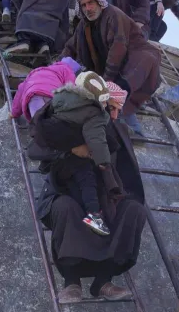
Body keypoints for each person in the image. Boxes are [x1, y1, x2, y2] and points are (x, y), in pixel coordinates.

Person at [33, 83, 145, 303]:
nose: (114, 114)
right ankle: (72, 283)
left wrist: (117, 193)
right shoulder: (65, 121)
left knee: (134, 211)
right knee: (68, 208)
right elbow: (39, 148)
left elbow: (124, 170)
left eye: (117, 110)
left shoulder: (117, 131)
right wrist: (72, 148)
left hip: (105, 193)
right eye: (110, 108)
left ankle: (103, 281)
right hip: (65, 191)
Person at [62, 0, 162, 136]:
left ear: (99, 2)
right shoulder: (83, 26)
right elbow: (70, 47)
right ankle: (126, 128)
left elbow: (118, 47)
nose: (88, 8)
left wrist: (105, 83)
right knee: (113, 94)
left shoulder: (113, 14)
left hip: (136, 60)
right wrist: (56, 68)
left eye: (91, 3)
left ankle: (132, 130)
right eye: (83, 5)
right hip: (111, 69)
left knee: (119, 90)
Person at [31, 72, 120, 236]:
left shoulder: (59, 100)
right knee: (88, 181)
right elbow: (96, 139)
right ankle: (94, 215)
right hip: (75, 161)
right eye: (108, 103)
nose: (108, 107)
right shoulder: (94, 112)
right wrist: (103, 162)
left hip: (57, 159)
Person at [10, 57, 81, 122]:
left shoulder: (37, 71)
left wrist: (14, 113)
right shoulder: (67, 69)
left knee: (38, 125)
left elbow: (21, 89)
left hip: (33, 96)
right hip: (51, 96)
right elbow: (71, 88)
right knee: (55, 124)